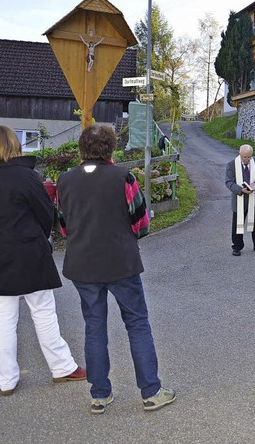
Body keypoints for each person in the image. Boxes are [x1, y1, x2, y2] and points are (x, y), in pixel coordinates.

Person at [56, 124, 175, 414]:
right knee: (137, 323)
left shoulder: (65, 181)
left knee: (94, 326)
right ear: (111, 148)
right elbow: (141, 222)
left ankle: (99, 394)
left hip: (82, 264)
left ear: (81, 148)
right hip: (121, 262)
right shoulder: (124, 177)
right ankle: (151, 391)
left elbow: (62, 226)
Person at [0, 125, 85, 396]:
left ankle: (6, 380)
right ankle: (62, 367)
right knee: (43, 311)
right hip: (27, 252)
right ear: (14, 145)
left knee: (3, 316)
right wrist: (39, 236)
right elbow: (46, 214)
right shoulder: (26, 176)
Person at [225, 144, 255, 257]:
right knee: (237, 224)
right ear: (239, 154)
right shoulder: (231, 165)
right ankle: (237, 247)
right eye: (244, 157)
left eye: (249, 157)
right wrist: (241, 190)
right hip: (239, 199)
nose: (246, 159)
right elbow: (229, 182)